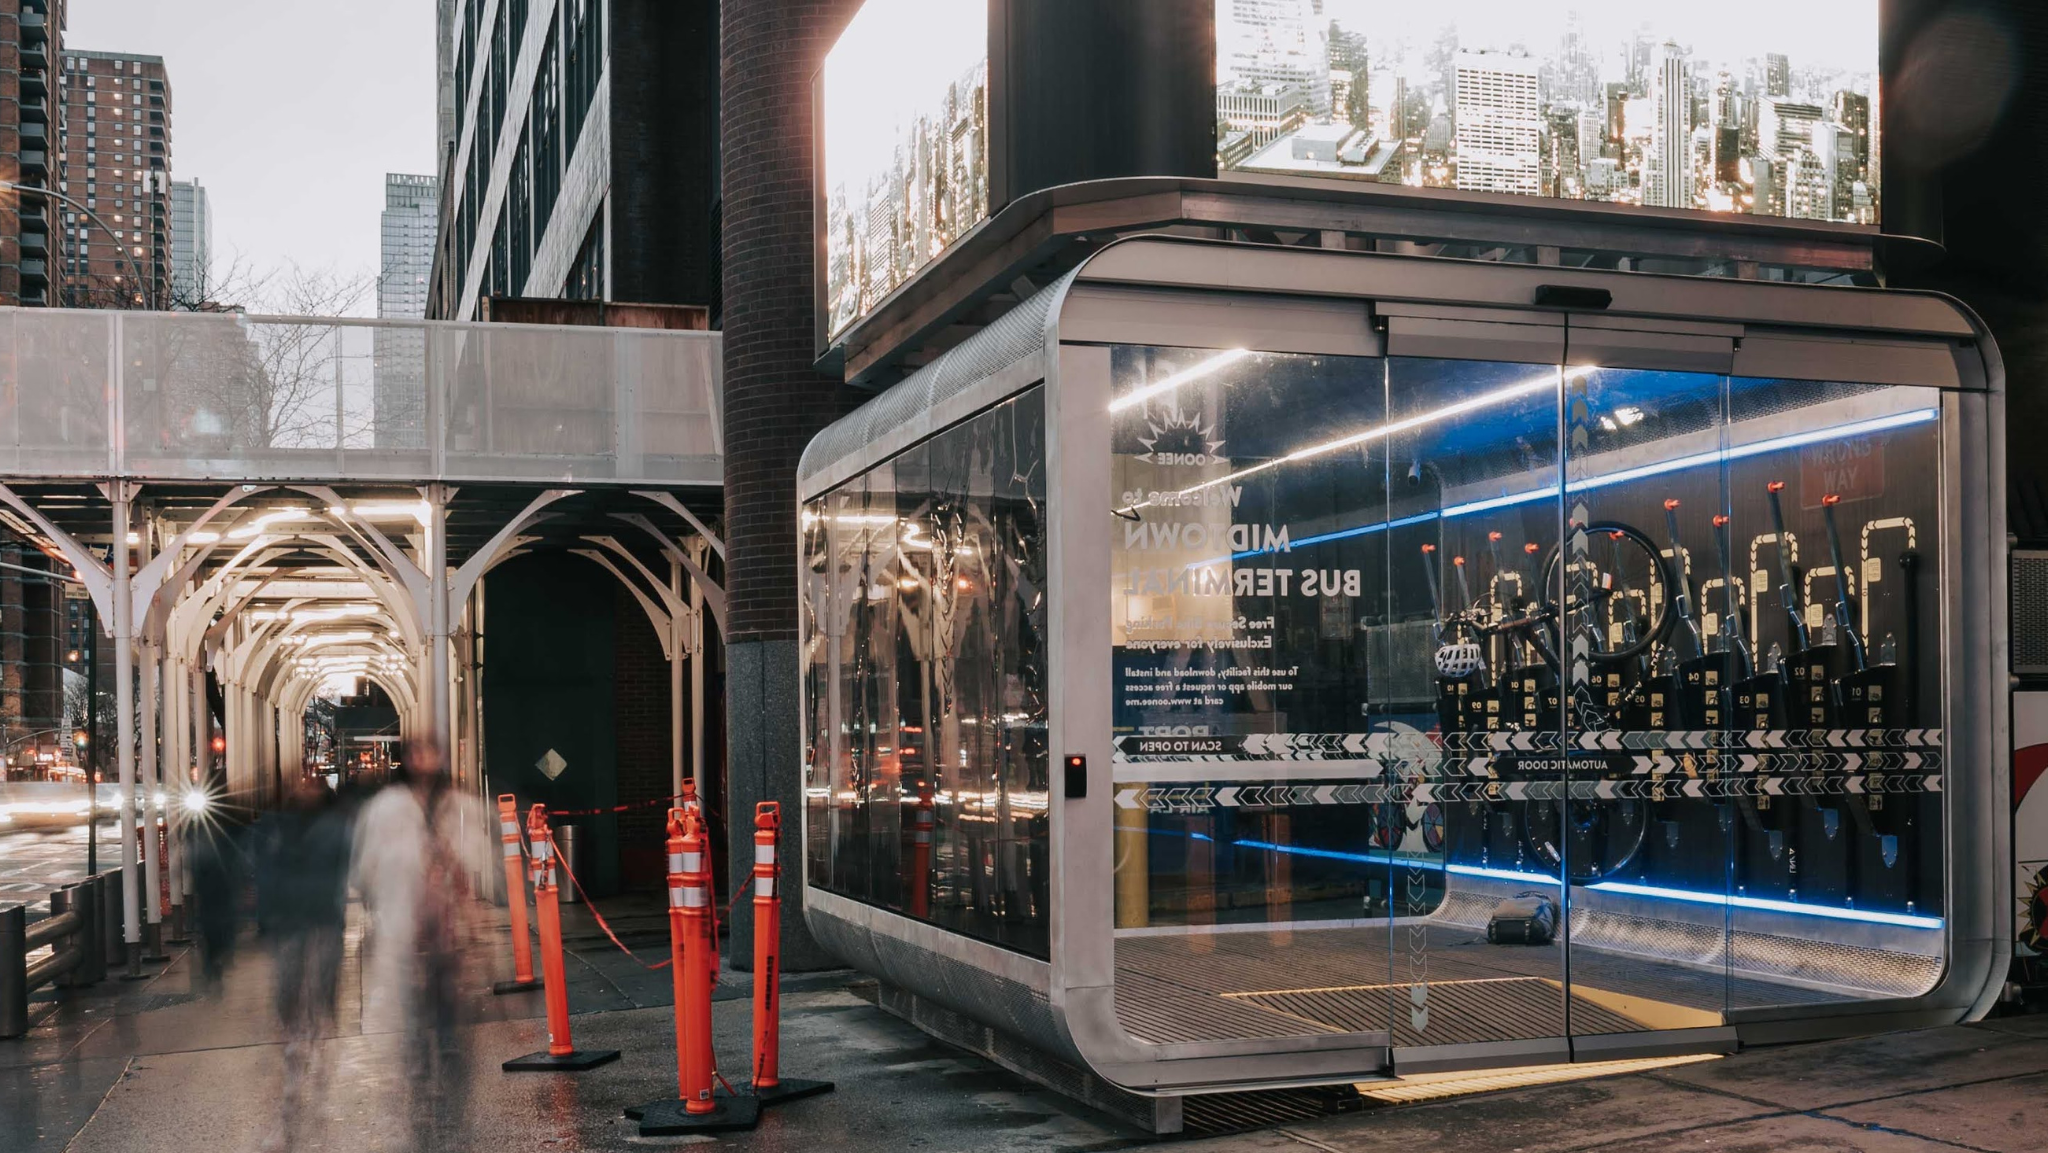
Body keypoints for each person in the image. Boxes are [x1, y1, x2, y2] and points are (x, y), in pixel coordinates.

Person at [350, 743, 489, 1147]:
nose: (425, 762)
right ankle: (419, 1047)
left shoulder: (452, 804)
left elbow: (472, 855)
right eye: (419, 755)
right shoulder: (390, 806)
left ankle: (443, 1042)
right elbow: (371, 859)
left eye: (432, 754)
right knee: (414, 984)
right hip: (406, 916)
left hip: (444, 916)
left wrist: (471, 912)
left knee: (443, 980)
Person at [255, 775, 351, 1153]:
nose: (306, 789)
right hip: (295, 918)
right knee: (290, 978)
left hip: (321, 915)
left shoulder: (330, 826)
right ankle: (298, 1026)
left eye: (313, 785)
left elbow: (344, 866)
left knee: (322, 974)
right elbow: (266, 872)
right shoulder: (280, 826)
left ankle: (315, 1022)